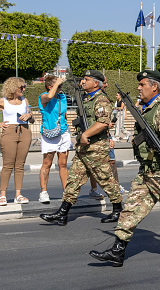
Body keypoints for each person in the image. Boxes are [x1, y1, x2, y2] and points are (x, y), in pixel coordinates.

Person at [88, 70, 160, 267]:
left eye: (142, 85)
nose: (139, 88)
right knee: (131, 210)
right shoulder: (147, 108)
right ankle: (118, 251)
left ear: (155, 87)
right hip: (148, 171)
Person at [40, 70, 123, 225]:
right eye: (83, 79)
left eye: (86, 79)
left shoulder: (101, 99)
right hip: (83, 148)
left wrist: (85, 134)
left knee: (106, 180)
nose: (83, 82)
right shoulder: (86, 98)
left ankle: (118, 210)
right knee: (73, 180)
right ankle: (62, 213)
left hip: (96, 147)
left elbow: (103, 122)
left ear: (96, 83)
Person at [0, 77, 33, 206]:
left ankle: (18, 194)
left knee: (20, 165)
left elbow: (31, 117)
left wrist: (29, 115)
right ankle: (2, 195)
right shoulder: (2, 101)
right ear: (13, 88)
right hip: (9, 132)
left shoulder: (24, 100)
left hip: (25, 131)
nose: (23, 89)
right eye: (21, 87)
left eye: (24, 87)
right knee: (8, 164)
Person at [37, 76, 71, 204]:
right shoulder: (43, 96)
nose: (61, 88)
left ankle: (67, 192)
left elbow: (64, 114)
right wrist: (57, 82)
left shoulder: (62, 98)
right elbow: (50, 97)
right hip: (49, 134)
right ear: (51, 86)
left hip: (63, 133)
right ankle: (43, 191)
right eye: (59, 85)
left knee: (63, 164)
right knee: (47, 163)